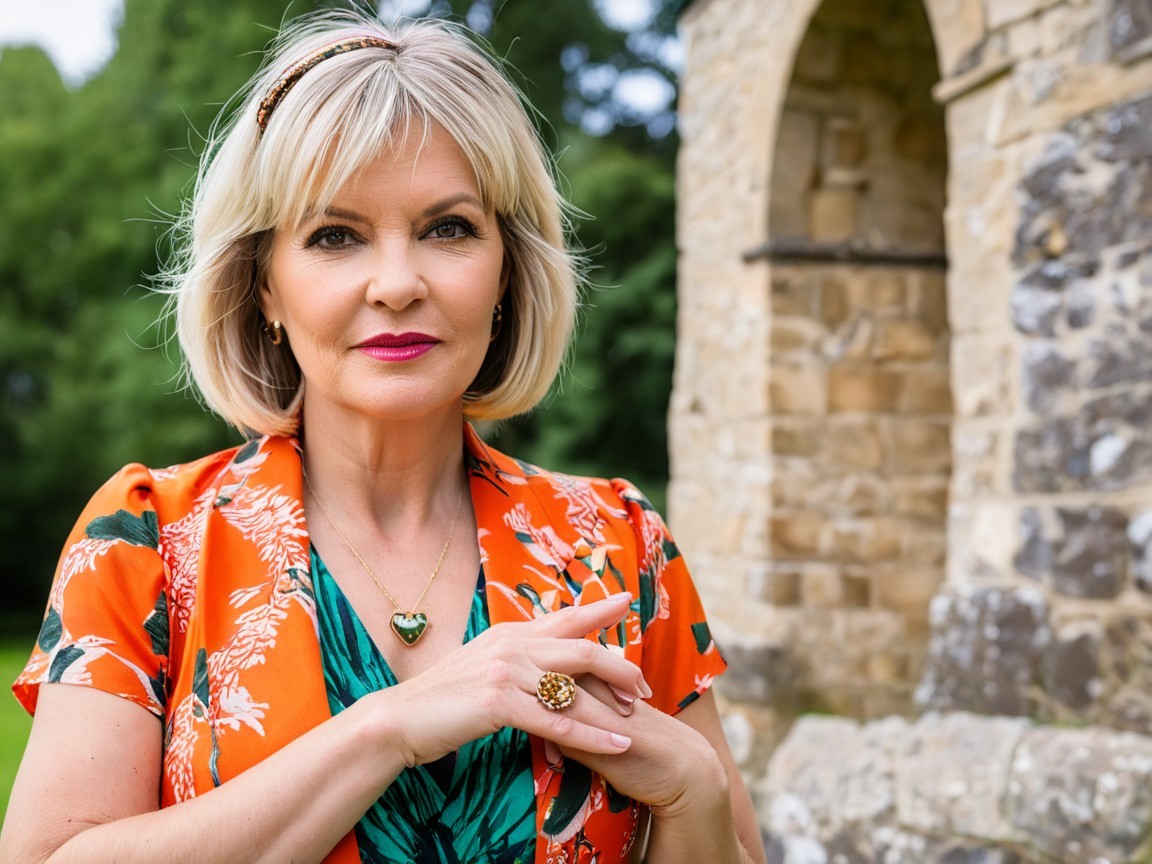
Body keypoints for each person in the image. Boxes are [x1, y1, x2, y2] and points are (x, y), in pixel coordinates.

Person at [0, 9, 766, 864]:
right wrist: (391, 727)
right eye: (335, 236)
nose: (398, 283)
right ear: (264, 289)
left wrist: (695, 792)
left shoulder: (620, 546)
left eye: (449, 229)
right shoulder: (147, 544)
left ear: (508, 270)